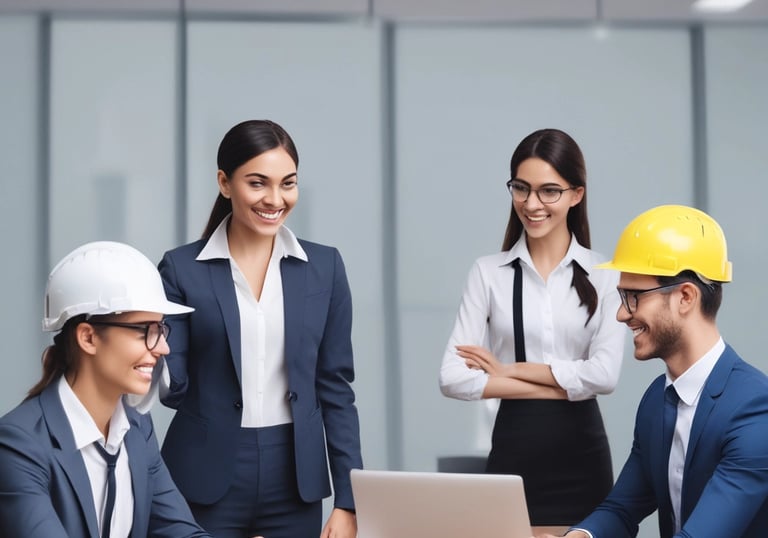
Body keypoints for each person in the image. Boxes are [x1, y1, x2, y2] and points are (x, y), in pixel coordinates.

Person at [157, 119, 362, 538]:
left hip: (294, 478)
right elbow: (170, 384)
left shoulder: (325, 268)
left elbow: (336, 389)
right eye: (257, 183)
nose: (275, 198)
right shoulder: (180, 269)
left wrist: (348, 499)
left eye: (288, 183)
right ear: (224, 182)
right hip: (203, 473)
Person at [536, 205, 768, 538]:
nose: (620, 314)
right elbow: (621, 509)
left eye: (633, 297)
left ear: (685, 297)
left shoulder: (755, 410)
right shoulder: (657, 402)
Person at [439, 128, 626, 526]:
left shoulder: (605, 275)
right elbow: (451, 378)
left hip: (584, 456)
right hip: (514, 451)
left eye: (549, 191)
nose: (532, 203)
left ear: (576, 194)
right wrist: (563, 388)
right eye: (521, 188)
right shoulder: (487, 273)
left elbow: (605, 376)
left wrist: (509, 371)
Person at [0, 241, 214, 538]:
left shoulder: (138, 429)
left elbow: (181, 532)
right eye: (146, 331)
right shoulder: (18, 446)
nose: (163, 347)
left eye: (162, 329)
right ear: (88, 338)